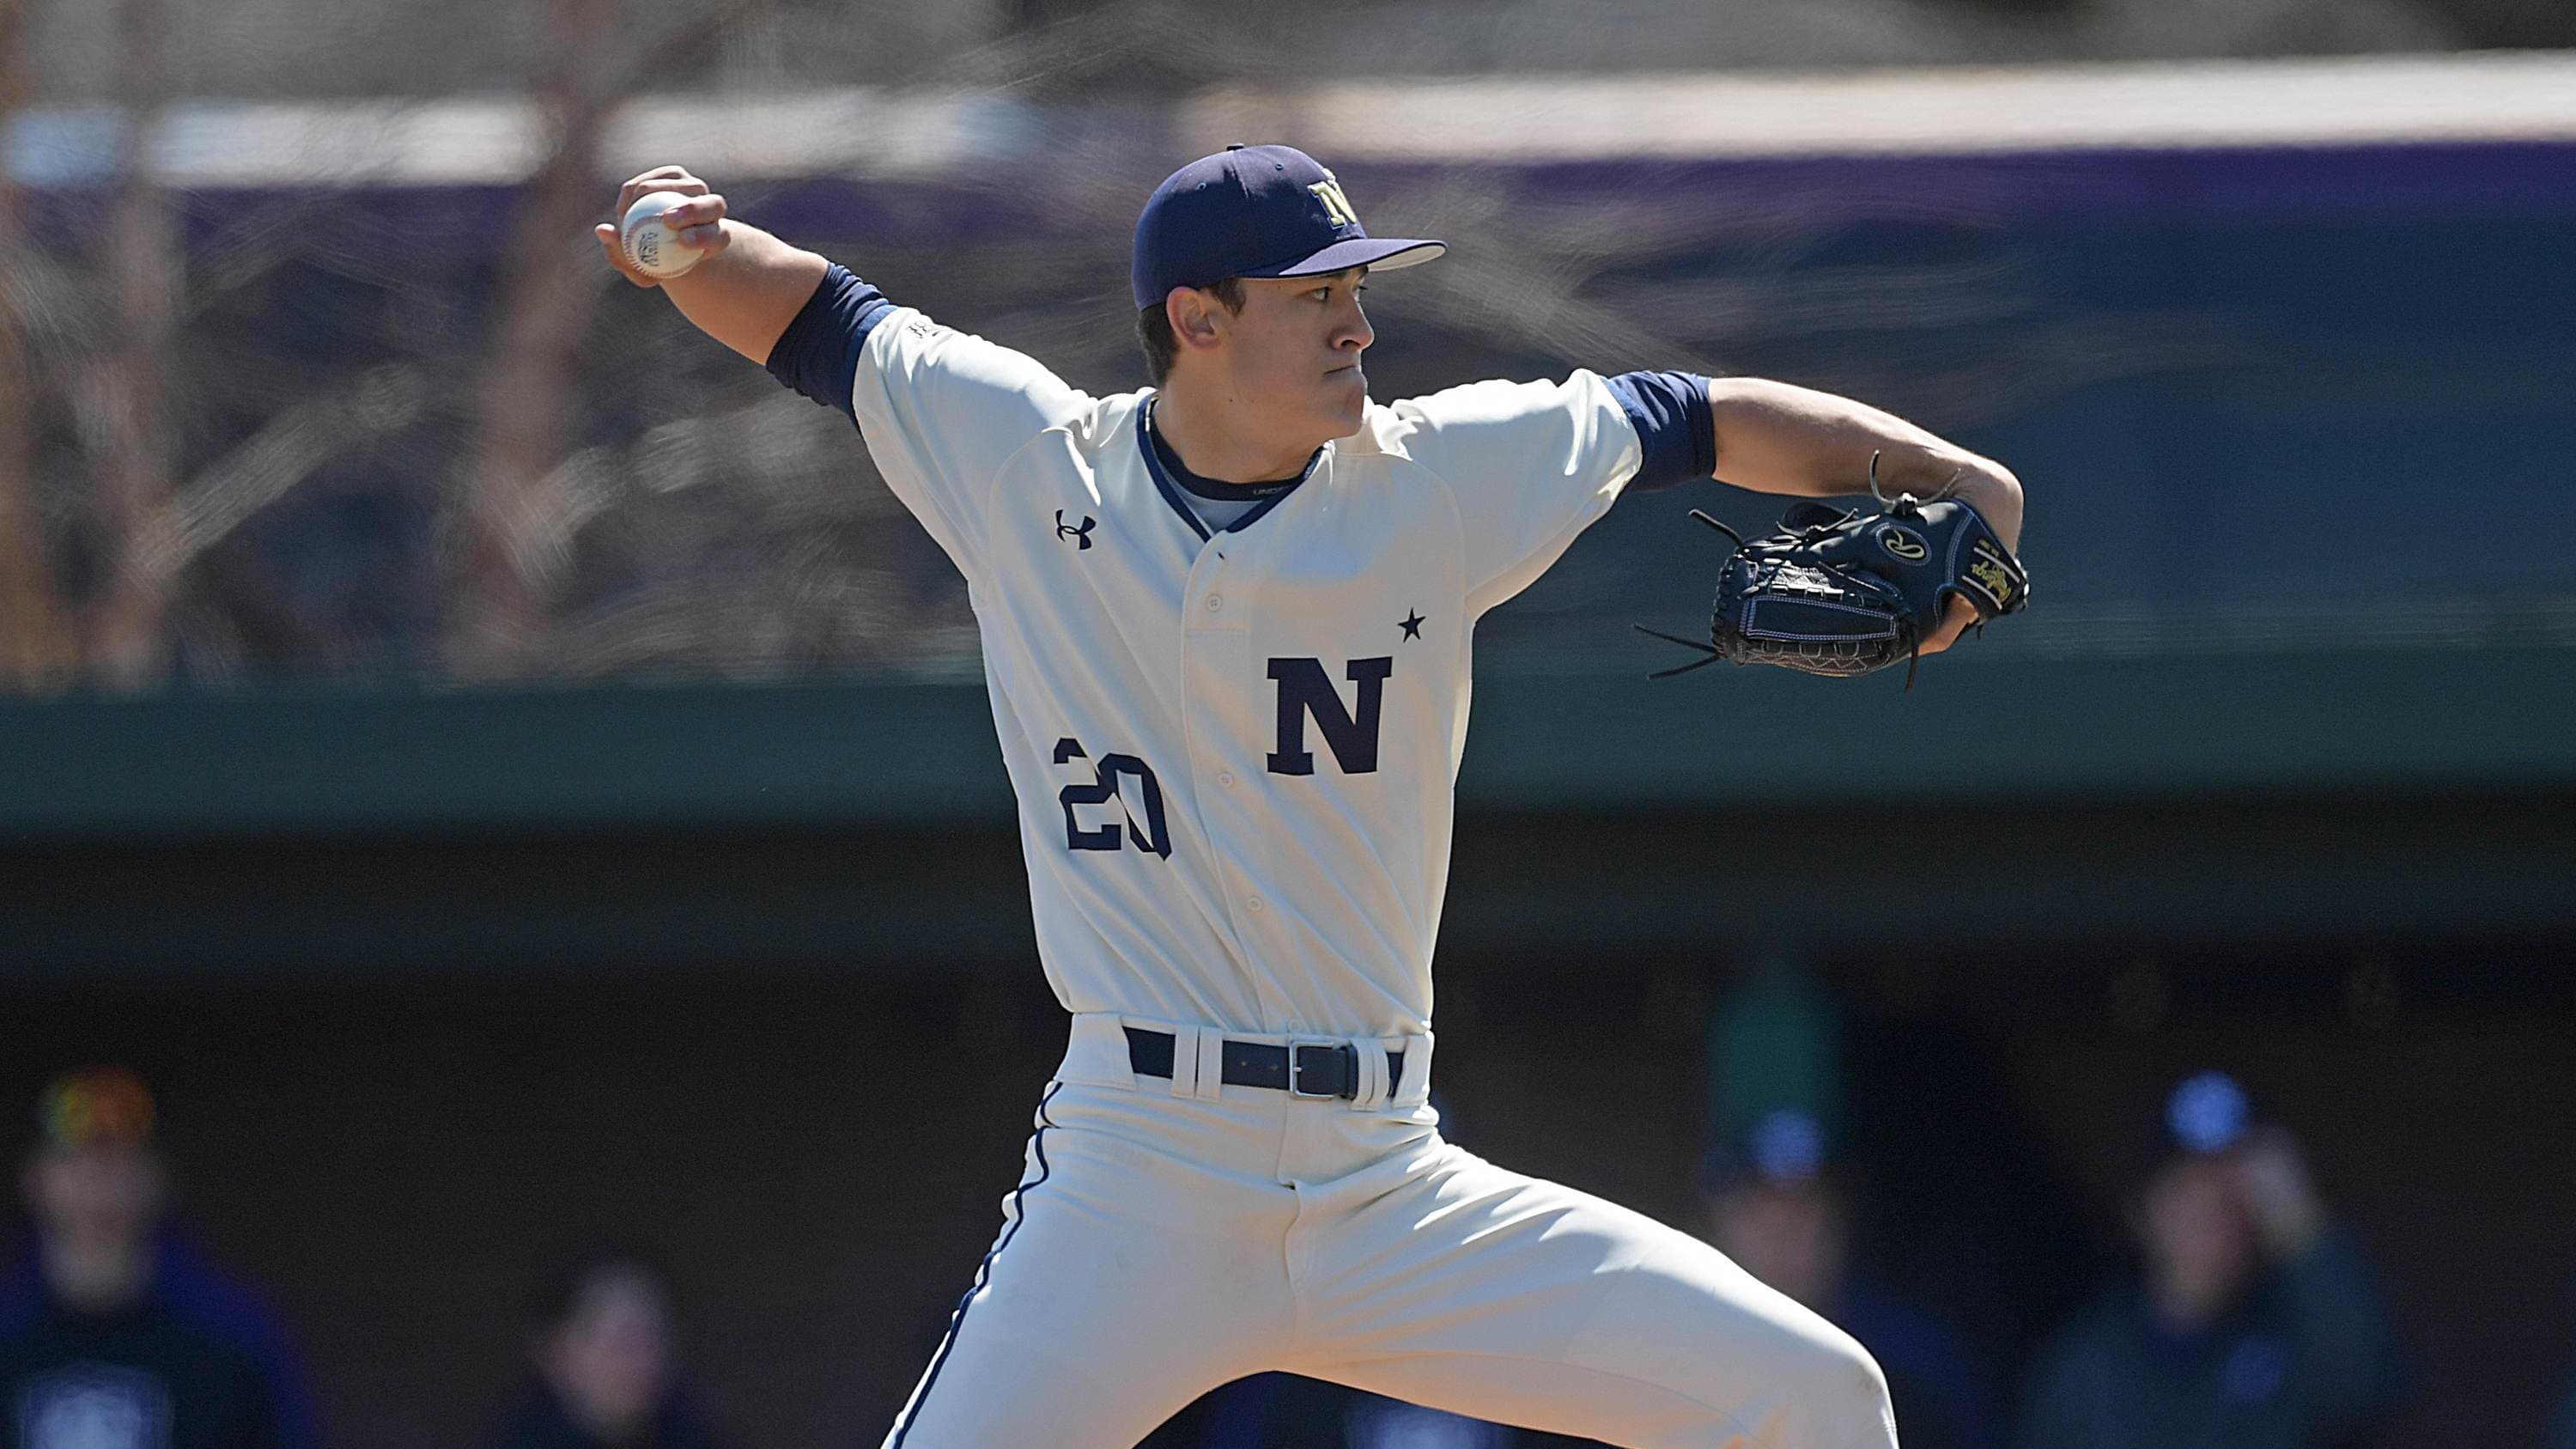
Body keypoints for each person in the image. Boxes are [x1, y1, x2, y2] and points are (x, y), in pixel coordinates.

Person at [593, 142, 2026, 1448]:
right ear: (1196, 321)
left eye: (1358, 289)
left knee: (1815, 1396)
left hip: (1385, 1180)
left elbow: (1694, 418)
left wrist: (1948, 473)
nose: (1359, 323)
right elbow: (827, 326)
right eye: (1314, 293)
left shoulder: (1434, 476)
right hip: (1136, 1173)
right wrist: (696, 253)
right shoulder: (1032, 461)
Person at [2013, 1070, 2409, 1449]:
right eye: (2190, 1192)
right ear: (2143, 1212)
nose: (2214, 1216)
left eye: (2233, 1194)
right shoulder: (2087, 1369)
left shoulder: (2294, 1342)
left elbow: (2370, 1386)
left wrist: (2301, 1224)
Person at [0, 1067, 325, 1449]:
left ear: (157, 1180)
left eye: (119, 1166)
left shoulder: (231, 1340)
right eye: (78, 1166)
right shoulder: (10, 1333)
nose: (99, 1190)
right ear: (34, 1180)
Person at [1702, 1109, 2000, 1449]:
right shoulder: (1679, 1348)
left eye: (1805, 1208)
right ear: (1722, 1220)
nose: (1783, 1232)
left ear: (1839, 1220)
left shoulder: (1912, 1361)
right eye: (1761, 1209)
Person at [488, 1249, 718, 1449]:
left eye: (649, 1332)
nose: (636, 1354)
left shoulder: (690, 1432)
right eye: (610, 1336)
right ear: (550, 1348)